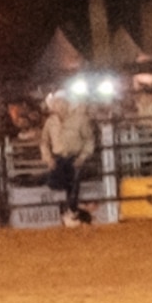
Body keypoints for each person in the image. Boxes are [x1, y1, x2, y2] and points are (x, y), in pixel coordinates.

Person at [38, 83, 95, 224]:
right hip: (59, 158)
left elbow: (89, 140)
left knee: (73, 181)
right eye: (56, 103)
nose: (57, 105)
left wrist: (82, 157)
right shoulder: (50, 122)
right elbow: (44, 142)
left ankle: (71, 211)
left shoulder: (80, 119)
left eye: (60, 102)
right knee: (56, 183)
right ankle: (75, 210)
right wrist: (48, 158)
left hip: (75, 156)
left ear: (66, 103)